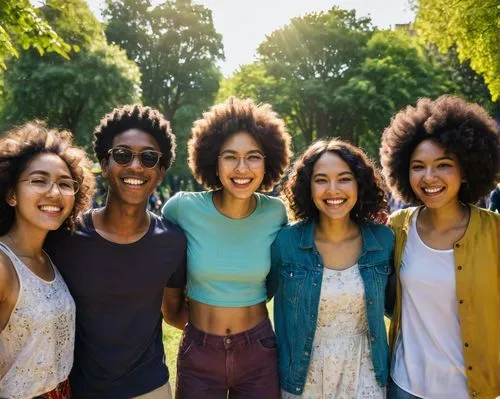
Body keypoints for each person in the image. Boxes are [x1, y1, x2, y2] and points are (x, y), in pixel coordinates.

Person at [44, 105, 187, 398]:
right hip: (80, 390)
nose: (135, 166)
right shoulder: (63, 236)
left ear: (160, 172)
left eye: (149, 158)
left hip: (150, 389)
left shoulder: (173, 241)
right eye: (122, 155)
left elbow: (174, 312)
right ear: (105, 164)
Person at [162, 97, 292, 399]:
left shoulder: (276, 213)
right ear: (213, 161)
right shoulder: (182, 208)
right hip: (200, 352)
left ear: (268, 162)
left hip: (258, 351)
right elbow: (164, 270)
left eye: (253, 157)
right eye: (230, 156)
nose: (242, 168)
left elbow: (274, 279)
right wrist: (202, 333)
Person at [380, 96, 500, 399]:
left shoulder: (494, 232)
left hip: (471, 390)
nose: (429, 177)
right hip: (404, 385)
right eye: (418, 166)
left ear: (466, 169)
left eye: (443, 165)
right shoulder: (397, 227)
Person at [269, 139, 394, 398]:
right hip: (303, 379)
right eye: (321, 180)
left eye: (344, 179)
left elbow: (398, 307)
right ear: (308, 187)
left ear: (359, 183)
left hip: (366, 376)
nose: (333, 189)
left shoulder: (384, 240)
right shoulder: (286, 242)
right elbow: (258, 298)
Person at [0, 121, 94, 399]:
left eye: (65, 184)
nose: (54, 192)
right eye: (39, 180)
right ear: (11, 194)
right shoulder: (3, 266)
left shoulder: (49, 259)